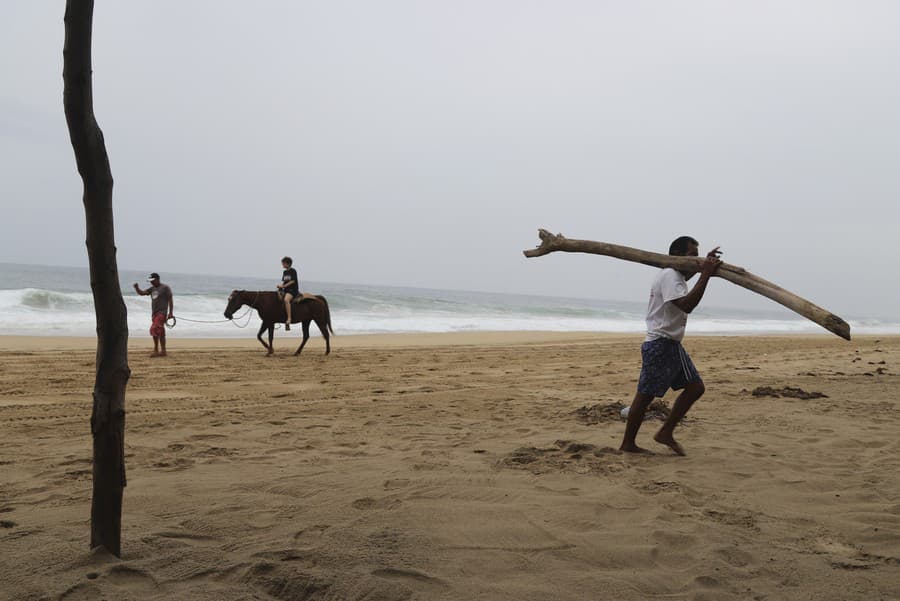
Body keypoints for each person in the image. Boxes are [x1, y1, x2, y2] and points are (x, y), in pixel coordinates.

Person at [619, 236, 722, 456]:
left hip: (671, 344)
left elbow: (684, 283)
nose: (696, 259)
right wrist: (705, 274)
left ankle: (665, 432)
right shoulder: (669, 275)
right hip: (660, 344)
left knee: (695, 387)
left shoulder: (676, 276)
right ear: (677, 256)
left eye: (698, 255)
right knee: (645, 396)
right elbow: (687, 305)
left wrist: (705, 269)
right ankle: (628, 444)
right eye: (692, 255)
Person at [133, 272, 174, 357]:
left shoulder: (165, 288)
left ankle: (156, 350)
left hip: (162, 313)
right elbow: (142, 293)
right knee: (161, 332)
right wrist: (137, 288)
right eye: (150, 281)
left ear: (157, 279)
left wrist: (170, 313)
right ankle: (163, 351)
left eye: (153, 280)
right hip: (154, 314)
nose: (151, 282)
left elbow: (170, 300)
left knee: (154, 329)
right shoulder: (152, 289)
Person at [277, 256, 300, 331]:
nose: (282, 265)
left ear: (288, 264)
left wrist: (283, 286)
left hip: (293, 290)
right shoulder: (285, 272)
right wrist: (280, 287)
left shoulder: (293, 271)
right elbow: (285, 281)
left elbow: (292, 281)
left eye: (283, 263)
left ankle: (289, 318)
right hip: (286, 290)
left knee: (286, 300)